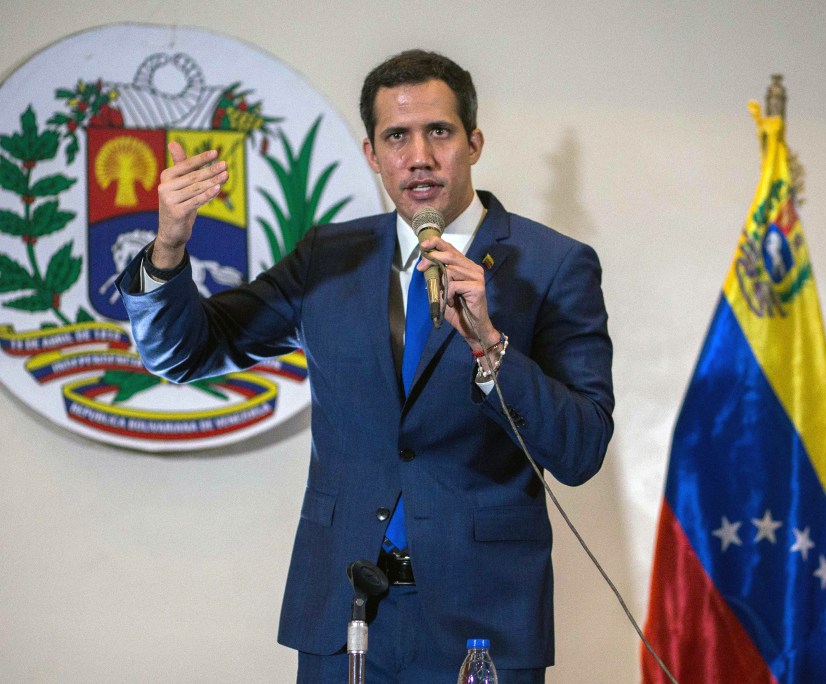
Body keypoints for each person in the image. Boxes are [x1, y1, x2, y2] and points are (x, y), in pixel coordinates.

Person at [117, 49, 614, 684]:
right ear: (372, 154)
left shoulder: (552, 265)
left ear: (475, 142)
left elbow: (582, 450)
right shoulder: (329, 256)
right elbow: (184, 353)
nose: (420, 157)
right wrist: (168, 248)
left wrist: (491, 345)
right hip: (344, 612)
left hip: (482, 618)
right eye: (397, 137)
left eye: (440, 131)